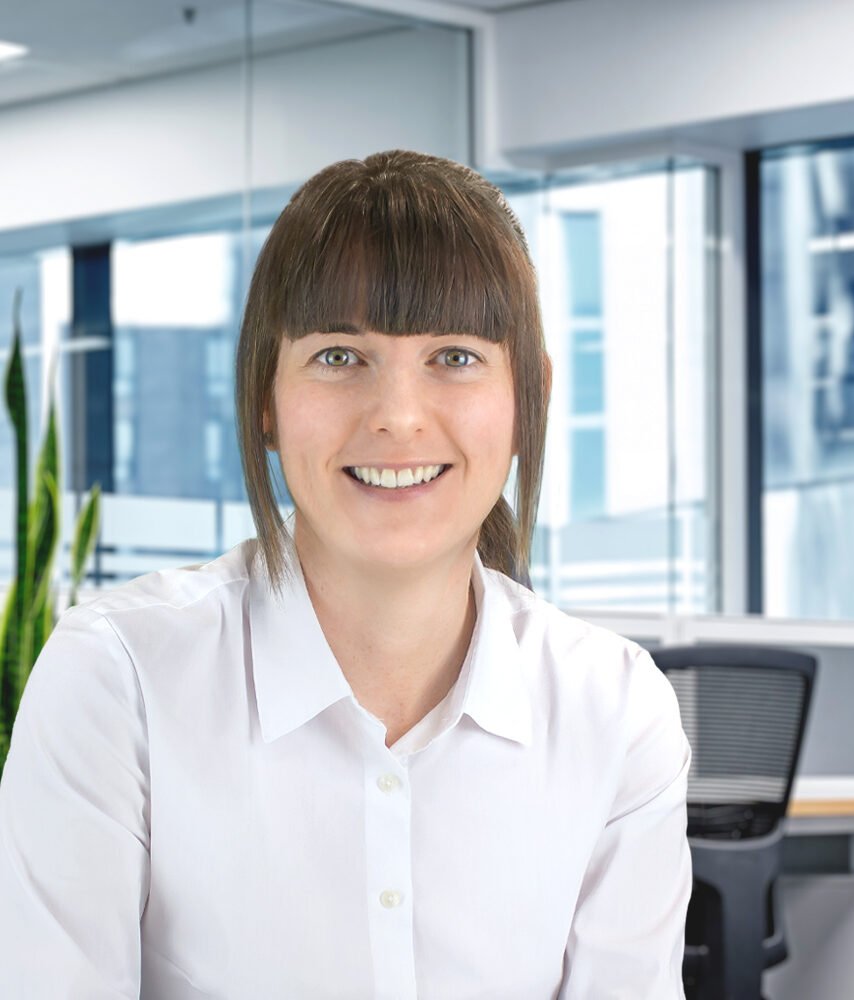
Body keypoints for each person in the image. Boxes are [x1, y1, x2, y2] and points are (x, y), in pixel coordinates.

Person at [0, 149, 691, 998]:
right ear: (263, 395)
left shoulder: (616, 711)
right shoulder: (120, 681)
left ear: (530, 399)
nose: (398, 418)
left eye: (455, 356)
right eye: (338, 356)